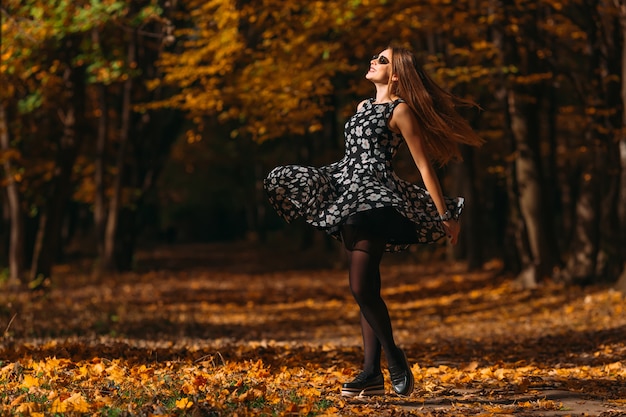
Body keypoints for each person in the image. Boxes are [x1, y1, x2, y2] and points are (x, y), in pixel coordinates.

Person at [263, 45, 484, 398]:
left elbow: (424, 165)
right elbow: (352, 158)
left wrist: (446, 215)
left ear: (396, 74)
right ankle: (371, 373)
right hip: (347, 193)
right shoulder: (363, 107)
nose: (373, 62)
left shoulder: (401, 111)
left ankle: (394, 359)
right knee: (367, 288)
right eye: (375, 57)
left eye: (382, 60)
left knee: (362, 288)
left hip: (376, 200)